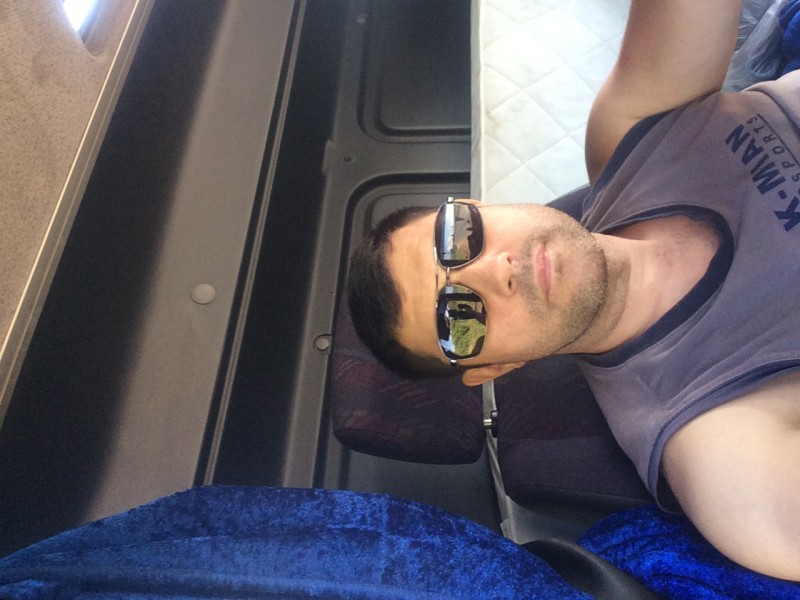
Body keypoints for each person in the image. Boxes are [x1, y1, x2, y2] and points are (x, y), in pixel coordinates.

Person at [347, 0, 800, 581]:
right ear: (493, 368)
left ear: (479, 205)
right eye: (460, 319)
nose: (494, 270)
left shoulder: (630, 135)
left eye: (458, 236)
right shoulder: (716, 445)